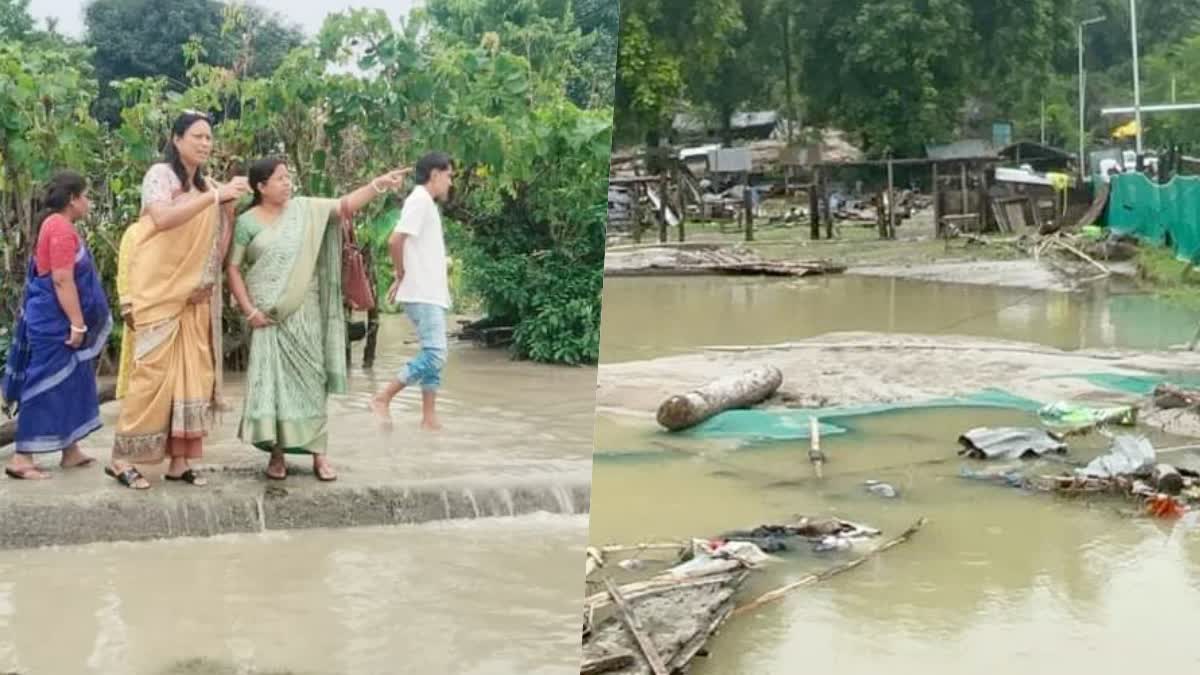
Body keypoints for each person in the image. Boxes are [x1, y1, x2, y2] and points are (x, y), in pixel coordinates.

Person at [226, 159, 410, 481]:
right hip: (267, 317)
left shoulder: (305, 210)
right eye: (280, 179)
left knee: (312, 383)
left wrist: (378, 183)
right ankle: (277, 455)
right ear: (260, 186)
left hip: (305, 312)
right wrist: (249, 310)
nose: (287, 183)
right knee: (273, 386)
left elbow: (344, 206)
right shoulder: (246, 223)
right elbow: (232, 269)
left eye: (288, 177)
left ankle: (318, 455)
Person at [106, 111, 250, 490]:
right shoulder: (161, 175)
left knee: (192, 377)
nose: (206, 143)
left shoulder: (206, 186)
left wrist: (226, 208)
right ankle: (121, 459)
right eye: (198, 136)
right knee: (151, 376)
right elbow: (163, 218)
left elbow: (217, 242)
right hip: (157, 290)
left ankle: (179, 460)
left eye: (209, 137)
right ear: (177, 138)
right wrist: (214, 198)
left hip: (191, 296)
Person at [1, 172, 112, 479]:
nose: (89, 202)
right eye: (86, 196)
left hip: (55, 316)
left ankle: (70, 449)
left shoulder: (55, 225)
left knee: (70, 381)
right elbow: (62, 280)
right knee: (44, 384)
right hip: (55, 321)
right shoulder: (60, 229)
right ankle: (22, 457)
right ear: (72, 199)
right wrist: (77, 324)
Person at [371, 152, 454, 430]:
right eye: (449, 176)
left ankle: (429, 418)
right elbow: (395, 240)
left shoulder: (424, 203)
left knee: (434, 358)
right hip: (422, 293)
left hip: (429, 292)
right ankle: (383, 396)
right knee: (435, 354)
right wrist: (401, 274)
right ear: (435, 175)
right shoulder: (419, 200)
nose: (450, 183)